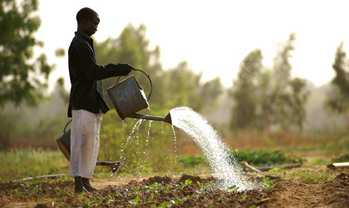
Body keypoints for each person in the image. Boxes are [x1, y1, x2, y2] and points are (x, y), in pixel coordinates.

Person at [67, 7, 136, 193]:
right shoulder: (79, 45)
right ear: (84, 22)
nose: (96, 28)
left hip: (92, 103)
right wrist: (119, 68)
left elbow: (93, 73)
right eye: (95, 24)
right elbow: (93, 73)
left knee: (91, 144)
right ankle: (78, 185)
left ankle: (86, 182)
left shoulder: (86, 43)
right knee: (80, 145)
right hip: (83, 103)